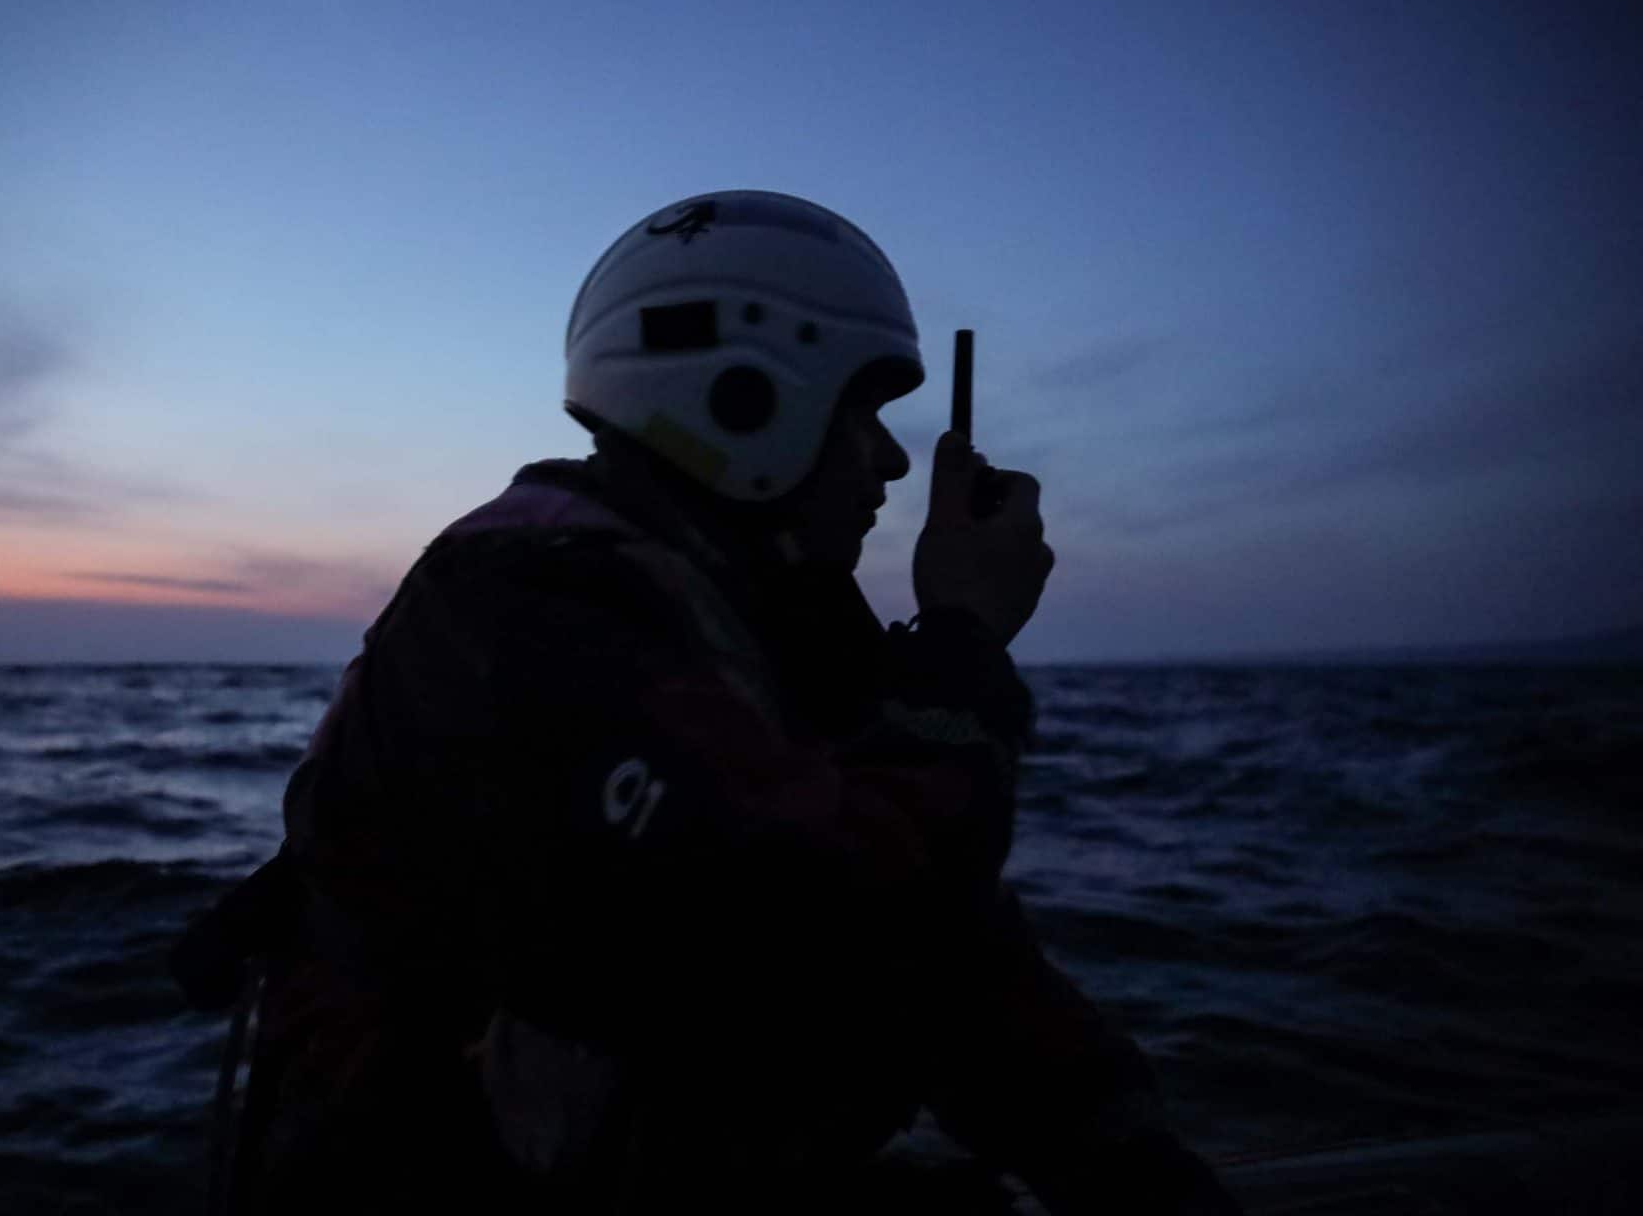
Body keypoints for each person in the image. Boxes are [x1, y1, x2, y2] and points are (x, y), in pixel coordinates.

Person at [172, 190, 1240, 1214]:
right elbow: (818, 917)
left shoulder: (769, 617)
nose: (889, 458)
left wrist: (1136, 1173)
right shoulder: (530, 605)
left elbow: (952, 960)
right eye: (864, 410)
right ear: (748, 393)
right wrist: (960, 641)